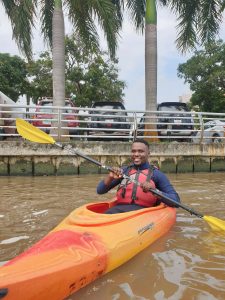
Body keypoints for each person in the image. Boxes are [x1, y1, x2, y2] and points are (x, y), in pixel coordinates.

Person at [97, 139, 180, 214]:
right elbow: (100, 191)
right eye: (133, 151)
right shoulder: (124, 171)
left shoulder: (157, 174)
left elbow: (176, 201)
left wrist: (155, 191)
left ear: (148, 154)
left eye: (140, 151)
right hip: (119, 210)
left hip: (142, 213)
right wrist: (110, 177)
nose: (136, 154)